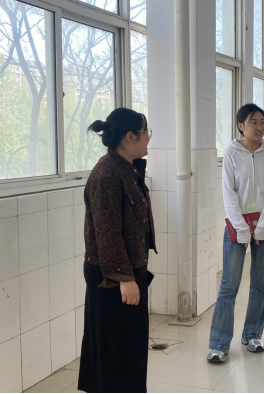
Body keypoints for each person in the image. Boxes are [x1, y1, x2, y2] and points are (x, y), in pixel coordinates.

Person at [78, 108, 156, 393]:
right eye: (145, 132)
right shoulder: (108, 173)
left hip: (127, 271)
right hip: (111, 278)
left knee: (130, 352)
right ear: (129, 137)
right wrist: (124, 278)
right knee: (115, 356)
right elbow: (107, 231)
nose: (148, 138)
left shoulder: (126, 167)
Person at [207, 104, 264, 363]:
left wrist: (261, 227)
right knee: (229, 285)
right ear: (241, 126)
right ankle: (218, 343)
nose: (259, 127)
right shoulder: (231, 153)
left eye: (262, 122)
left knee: (260, 283)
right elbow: (229, 194)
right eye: (253, 122)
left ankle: (252, 334)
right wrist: (241, 228)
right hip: (236, 227)